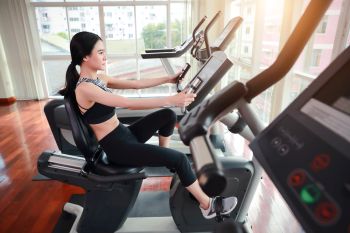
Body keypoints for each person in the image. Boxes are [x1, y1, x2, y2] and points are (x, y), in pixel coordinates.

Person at [59, 31, 237, 219]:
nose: (105, 56)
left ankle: (169, 163)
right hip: (118, 148)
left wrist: (168, 79)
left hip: (124, 134)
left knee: (167, 116)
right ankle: (208, 206)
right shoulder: (85, 89)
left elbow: (136, 84)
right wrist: (171, 99)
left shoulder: (99, 79)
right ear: (86, 57)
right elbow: (126, 103)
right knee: (180, 159)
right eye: (101, 52)